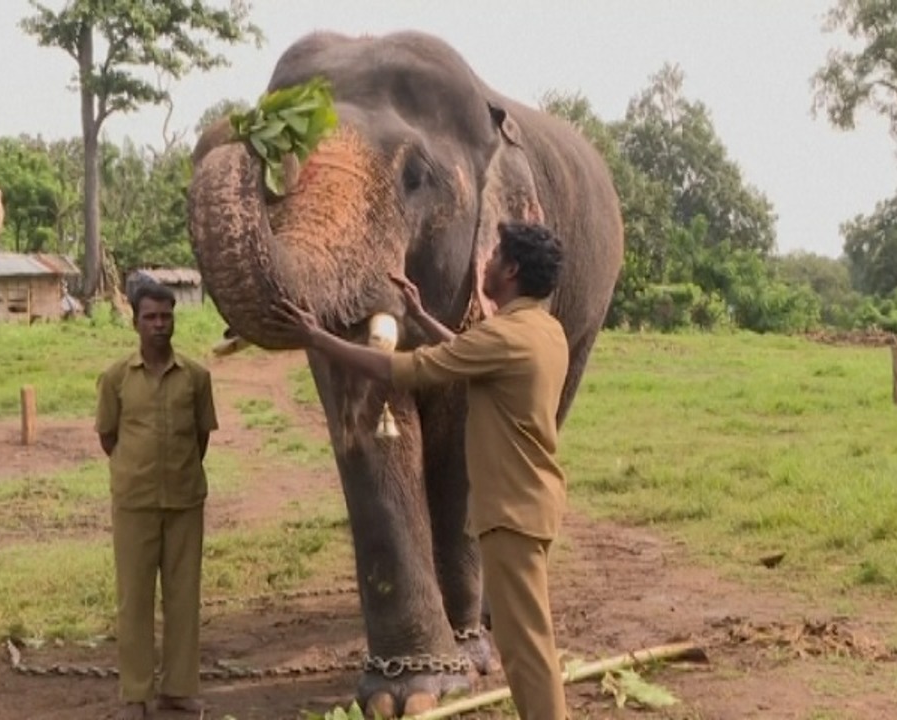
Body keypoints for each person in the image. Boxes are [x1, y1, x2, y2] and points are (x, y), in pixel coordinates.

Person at [275, 221, 571, 720]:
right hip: (533, 502)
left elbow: (402, 369)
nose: (486, 261)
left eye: (495, 254)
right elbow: (470, 353)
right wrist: (420, 315)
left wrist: (318, 338)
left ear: (512, 270)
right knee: (525, 638)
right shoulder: (543, 330)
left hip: (512, 510)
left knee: (526, 647)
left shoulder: (505, 337)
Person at [95, 283, 219, 720]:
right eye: (150, 317)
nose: (159, 325)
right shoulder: (115, 378)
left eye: (166, 316)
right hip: (135, 502)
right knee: (134, 599)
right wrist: (138, 469)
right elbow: (108, 436)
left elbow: (201, 436)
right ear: (135, 323)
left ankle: (179, 690)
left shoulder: (196, 377)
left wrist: (177, 470)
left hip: (185, 500)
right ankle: (135, 695)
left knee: (184, 597)